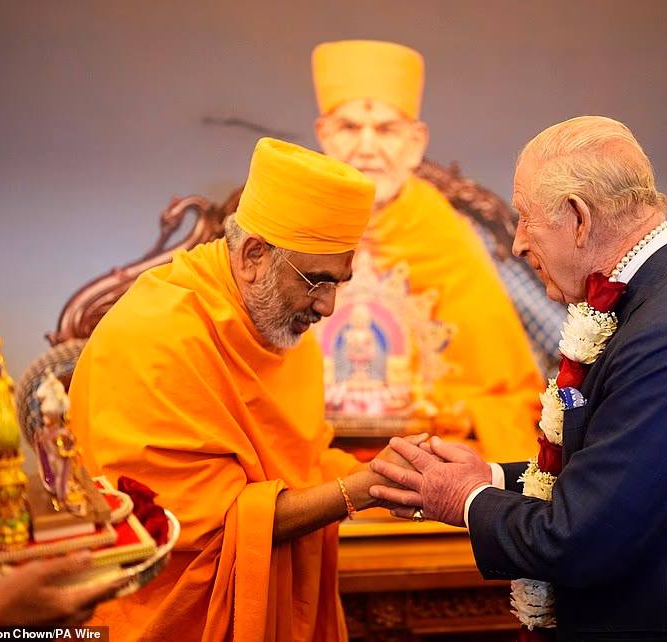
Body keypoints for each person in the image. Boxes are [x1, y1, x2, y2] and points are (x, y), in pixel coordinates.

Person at [370, 116, 667, 640]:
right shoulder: (658, 298)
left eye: (525, 218)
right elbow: (611, 477)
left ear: (579, 218)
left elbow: (581, 537)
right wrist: (492, 477)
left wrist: (466, 499)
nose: (518, 244)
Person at [69, 138, 422, 641]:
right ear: (255, 253)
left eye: (337, 284)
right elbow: (213, 526)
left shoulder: (274, 321)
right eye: (316, 281)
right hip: (157, 610)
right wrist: (364, 489)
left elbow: (299, 463)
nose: (326, 308)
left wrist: (391, 467)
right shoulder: (157, 337)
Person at [311, 39, 548, 460]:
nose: (366, 147)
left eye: (386, 130)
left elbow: (505, 392)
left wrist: (437, 405)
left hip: (429, 455)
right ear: (324, 135)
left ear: (415, 143)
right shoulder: (291, 222)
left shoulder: (448, 235)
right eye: (349, 128)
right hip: (313, 455)